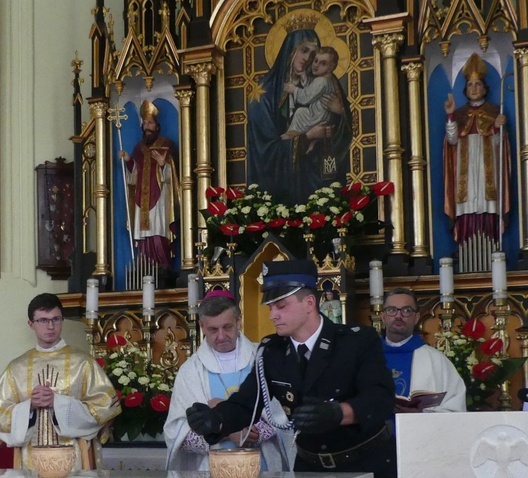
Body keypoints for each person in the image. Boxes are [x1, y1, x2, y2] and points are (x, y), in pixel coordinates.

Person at [186, 259, 396, 477]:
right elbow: (247, 403)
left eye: (281, 306)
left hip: (364, 464)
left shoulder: (356, 342)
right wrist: (216, 420)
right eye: (270, 307)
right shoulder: (272, 351)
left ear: (309, 303)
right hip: (309, 467)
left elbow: (380, 398)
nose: (272, 315)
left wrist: (339, 413)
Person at [0, 294, 121, 470]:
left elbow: (105, 409)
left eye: (55, 319)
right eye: (42, 320)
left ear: (62, 320)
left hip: (76, 459)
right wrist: (29, 407)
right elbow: (0, 417)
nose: (50, 326)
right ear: (31, 324)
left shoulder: (83, 363)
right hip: (30, 461)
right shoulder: (16, 368)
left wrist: (59, 403)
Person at [163, 290, 291, 471]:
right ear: (201, 326)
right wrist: (226, 431)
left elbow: (284, 414)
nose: (221, 336)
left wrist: (252, 432)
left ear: (239, 321)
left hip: (264, 466)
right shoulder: (190, 371)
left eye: (227, 327)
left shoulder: (262, 357)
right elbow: (176, 435)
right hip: (210, 468)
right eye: (213, 330)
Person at [247, 20, 353, 205]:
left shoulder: (324, 80)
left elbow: (345, 132)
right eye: (304, 50)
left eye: (313, 54)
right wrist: (307, 136)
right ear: (291, 50)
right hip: (281, 189)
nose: (308, 58)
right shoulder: (265, 93)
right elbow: (264, 151)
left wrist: (340, 112)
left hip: (316, 177)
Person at [443, 52, 510, 254]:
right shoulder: (460, 113)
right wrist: (451, 115)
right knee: (467, 204)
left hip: (486, 165)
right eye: (470, 85)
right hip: (465, 168)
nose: (474, 88)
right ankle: (466, 249)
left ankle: (490, 247)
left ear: (484, 87)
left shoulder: (493, 110)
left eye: (478, 84)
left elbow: (500, 145)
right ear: (465, 89)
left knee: (487, 203)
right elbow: (452, 139)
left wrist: (498, 127)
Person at [380, 288, 467, 413]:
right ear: (383, 316)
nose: (398, 316)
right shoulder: (367, 357)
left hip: (420, 431)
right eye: (392, 310)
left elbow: (455, 409)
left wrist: (421, 416)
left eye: (406, 310)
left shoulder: (436, 360)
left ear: (416, 317)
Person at [120, 100, 180, 268]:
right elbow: (135, 173)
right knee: (144, 233)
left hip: (160, 196)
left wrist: (163, 163)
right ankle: (145, 265)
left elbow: (174, 174)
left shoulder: (166, 144)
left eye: (150, 123)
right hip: (141, 198)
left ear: (157, 126)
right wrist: (129, 161)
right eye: (145, 123)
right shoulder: (139, 148)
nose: (147, 126)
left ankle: (162, 264)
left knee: (159, 228)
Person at [281, 47, 340, 155]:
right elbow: (312, 90)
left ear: (330, 68)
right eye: (316, 61)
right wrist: (304, 76)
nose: (316, 65)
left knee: (300, 113)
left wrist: (294, 90)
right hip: (322, 117)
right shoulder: (326, 80)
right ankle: (312, 143)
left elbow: (306, 97)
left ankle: (291, 134)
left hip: (317, 116)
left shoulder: (321, 82)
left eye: (323, 63)